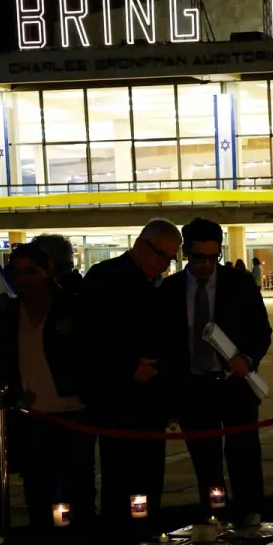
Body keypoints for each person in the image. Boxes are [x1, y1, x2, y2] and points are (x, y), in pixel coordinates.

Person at [158, 219, 272, 519]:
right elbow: (164, 344)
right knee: (205, 461)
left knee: (244, 456)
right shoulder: (169, 290)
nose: (207, 264)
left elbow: (261, 330)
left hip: (235, 384)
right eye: (200, 257)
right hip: (193, 387)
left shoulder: (240, 284)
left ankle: (252, 516)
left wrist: (247, 359)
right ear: (186, 253)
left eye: (213, 257)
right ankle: (214, 519)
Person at [81, 219, 179, 525]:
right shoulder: (106, 277)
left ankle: (148, 534)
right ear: (140, 244)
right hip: (118, 401)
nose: (164, 265)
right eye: (160, 255)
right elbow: (89, 337)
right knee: (120, 477)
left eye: (170, 259)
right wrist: (128, 367)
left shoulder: (154, 284)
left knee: (151, 477)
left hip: (151, 399)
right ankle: (119, 539)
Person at [0, 243, 95, 526]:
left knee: (79, 481)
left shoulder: (71, 306)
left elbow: (91, 354)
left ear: (47, 270)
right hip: (32, 412)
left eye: (31, 271)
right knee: (37, 482)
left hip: (72, 408)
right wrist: (13, 393)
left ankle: (83, 537)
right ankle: (41, 540)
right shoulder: (11, 313)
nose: (24, 278)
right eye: (18, 272)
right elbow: (6, 361)